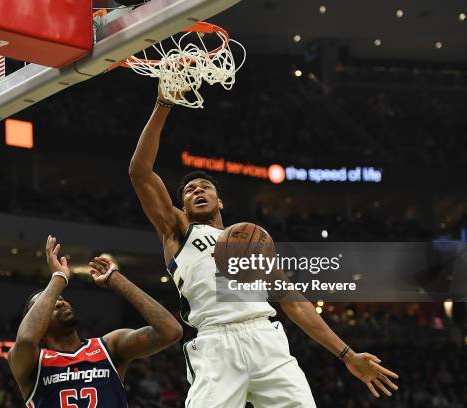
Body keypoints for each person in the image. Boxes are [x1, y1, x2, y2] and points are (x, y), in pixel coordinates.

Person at [128, 88, 399, 407]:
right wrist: (164, 104)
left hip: (266, 339)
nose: (198, 190)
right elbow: (139, 173)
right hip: (216, 344)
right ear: (183, 206)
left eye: (206, 187)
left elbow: (295, 304)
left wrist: (348, 355)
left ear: (220, 200)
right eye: (189, 190)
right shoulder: (178, 229)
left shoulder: (249, 243)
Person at [8, 236, 183, 407]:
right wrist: (59, 277)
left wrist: (116, 279)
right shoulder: (31, 361)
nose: (59, 302)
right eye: (49, 303)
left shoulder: (109, 346)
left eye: (60, 297)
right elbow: (25, 339)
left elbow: (170, 331)